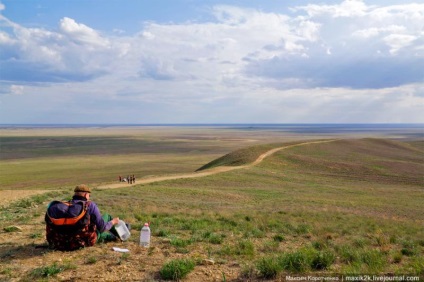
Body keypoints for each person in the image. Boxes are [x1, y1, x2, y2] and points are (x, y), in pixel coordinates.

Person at [45, 184, 121, 250]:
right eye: (89, 195)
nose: (89, 197)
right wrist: (113, 222)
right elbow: (102, 228)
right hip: (81, 242)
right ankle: (121, 235)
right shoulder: (89, 205)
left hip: (58, 243)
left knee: (101, 231)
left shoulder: (59, 207)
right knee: (107, 217)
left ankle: (113, 236)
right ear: (85, 195)